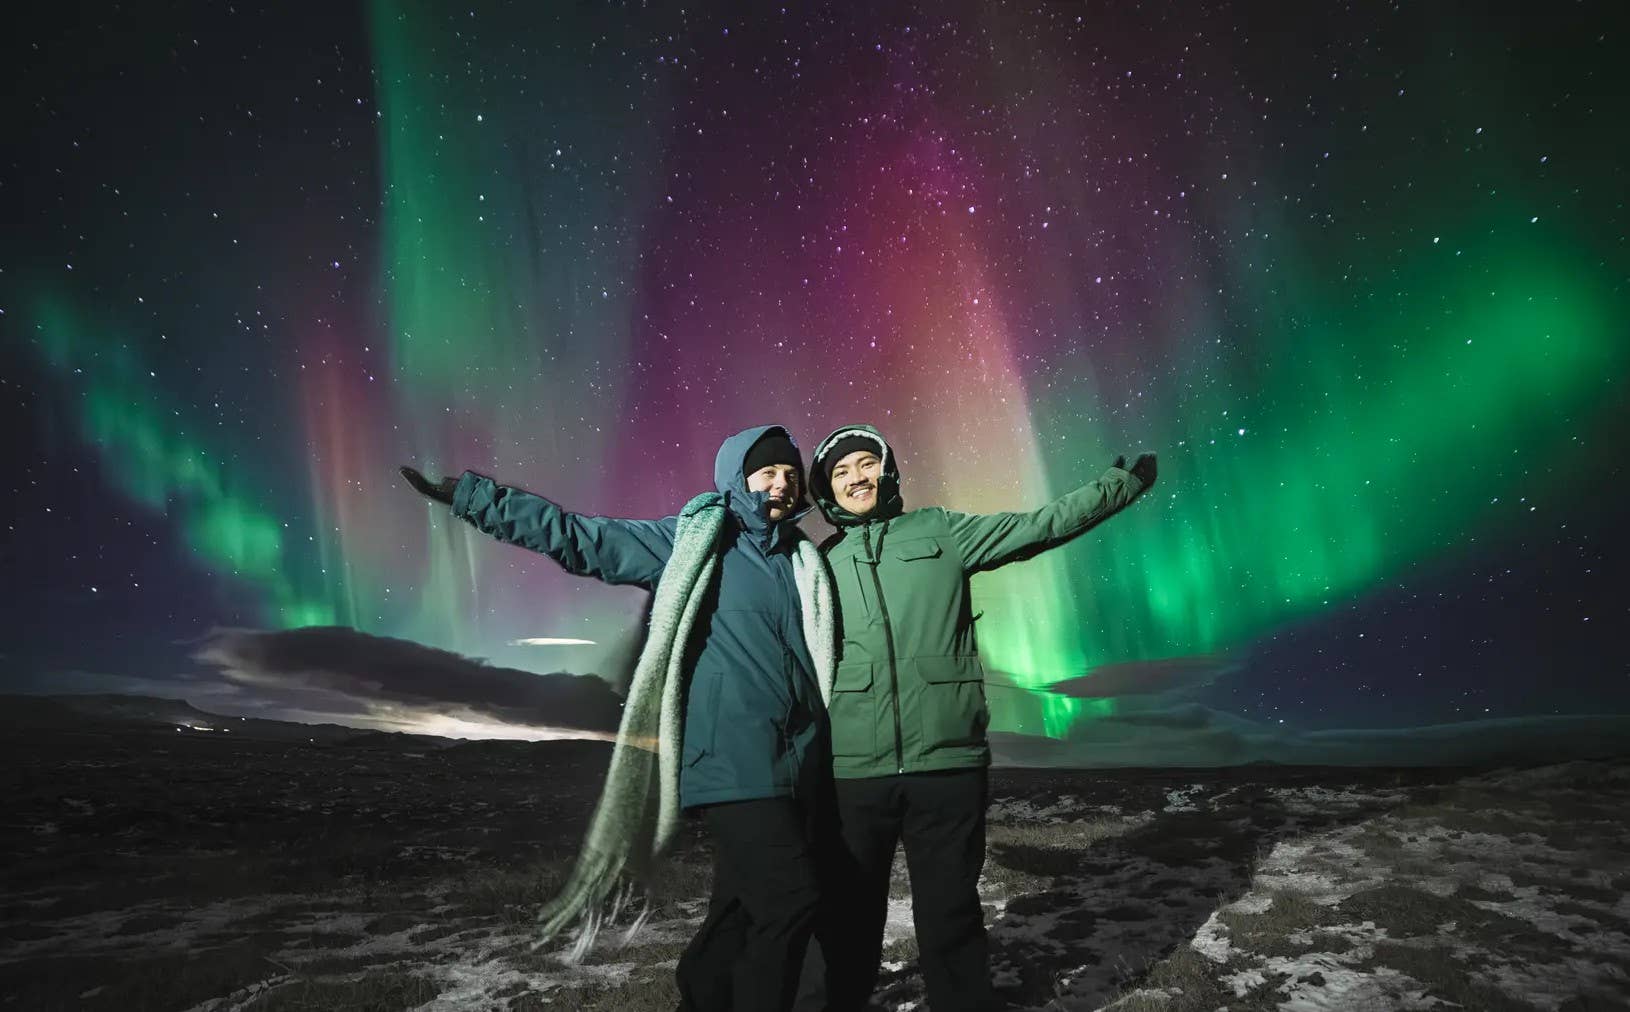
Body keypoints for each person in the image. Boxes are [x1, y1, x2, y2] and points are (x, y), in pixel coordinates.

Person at [401, 424, 838, 1012]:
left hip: (793, 763)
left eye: (789, 473)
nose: (781, 483)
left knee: (737, 909)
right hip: (731, 759)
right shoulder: (691, 543)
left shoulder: (802, 562)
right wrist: (477, 498)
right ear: (737, 478)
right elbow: (584, 539)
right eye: (766, 472)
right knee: (790, 900)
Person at [804, 424, 1155, 1012]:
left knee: (949, 910)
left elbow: (1035, 527)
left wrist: (1115, 487)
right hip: (852, 769)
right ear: (827, 492)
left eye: (865, 464)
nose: (855, 478)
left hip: (947, 760)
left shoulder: (940, 529)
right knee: (846, 914)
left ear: (886, 472)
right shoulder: (818, 563)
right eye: (840, 473)